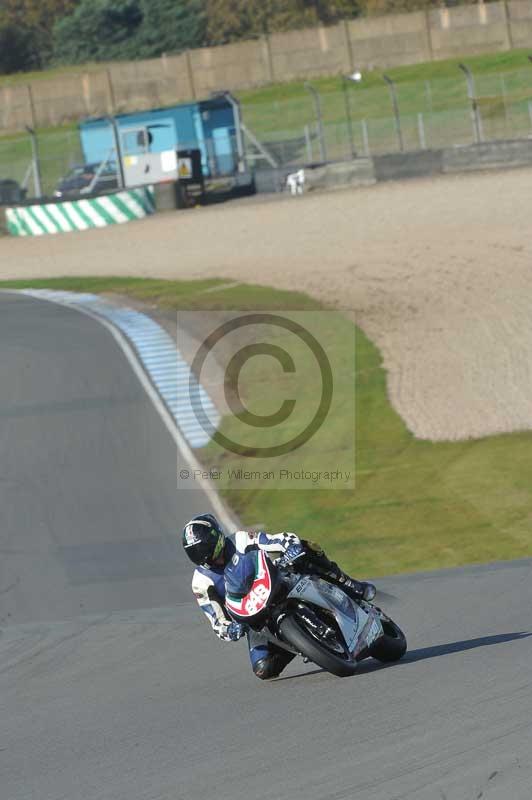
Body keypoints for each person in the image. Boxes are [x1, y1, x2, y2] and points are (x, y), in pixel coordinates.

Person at [182, 513, 376, 680]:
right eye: (196, 553)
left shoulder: (240, 540)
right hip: (253, 616)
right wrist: (231, 629)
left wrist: (289, 546)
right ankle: (303, 644)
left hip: (275, 580)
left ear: (217, 537)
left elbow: (274, 540)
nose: (205, 555)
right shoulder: (200, 582)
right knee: (263, 669)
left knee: (306, 548)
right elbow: (216, 621)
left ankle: (348, 583)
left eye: (206, 547)